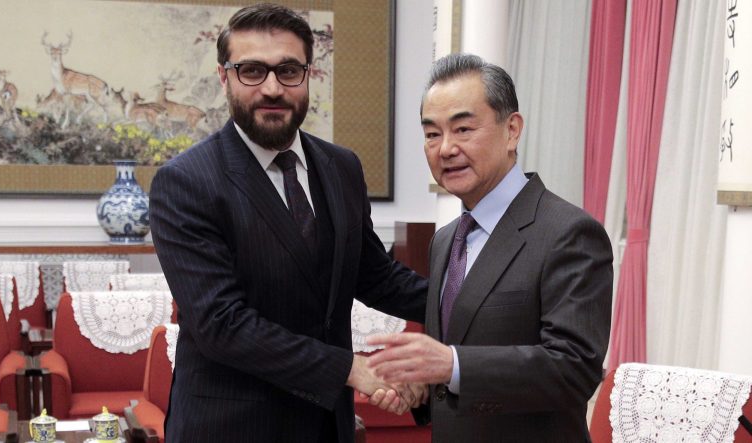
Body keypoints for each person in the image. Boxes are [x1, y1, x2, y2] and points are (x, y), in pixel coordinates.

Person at [149, 4, 427, 442]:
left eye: (289, 70)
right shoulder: (186, 182)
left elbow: (374, 276)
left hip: (325, 426)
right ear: (225, 78)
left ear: (309, 75)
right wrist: (351, 369)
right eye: (252, 71)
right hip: (231, 429)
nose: (273, 88)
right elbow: (221, 324)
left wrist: (471, 303)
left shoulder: (342, 167)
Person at [366, 53, 614, 442]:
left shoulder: (569, 232)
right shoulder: (446, 239)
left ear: (512, 130)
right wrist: (420, 388)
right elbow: (458, 369)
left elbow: (575, 368)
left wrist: (450, 364)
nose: (445, 148)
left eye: (463, 129)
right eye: (432, 134)